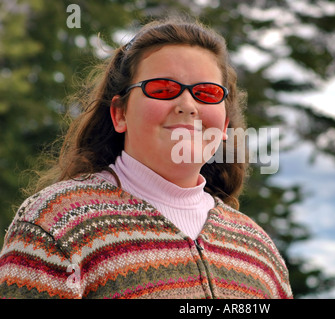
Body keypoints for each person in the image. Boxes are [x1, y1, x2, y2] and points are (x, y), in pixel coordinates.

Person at [0, 16, 293, 299]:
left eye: (206, 93)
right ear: (120, 113)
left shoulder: (259, 252)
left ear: (225, 123)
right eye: (163, 89)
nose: (187, 105)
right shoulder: (54, 225)